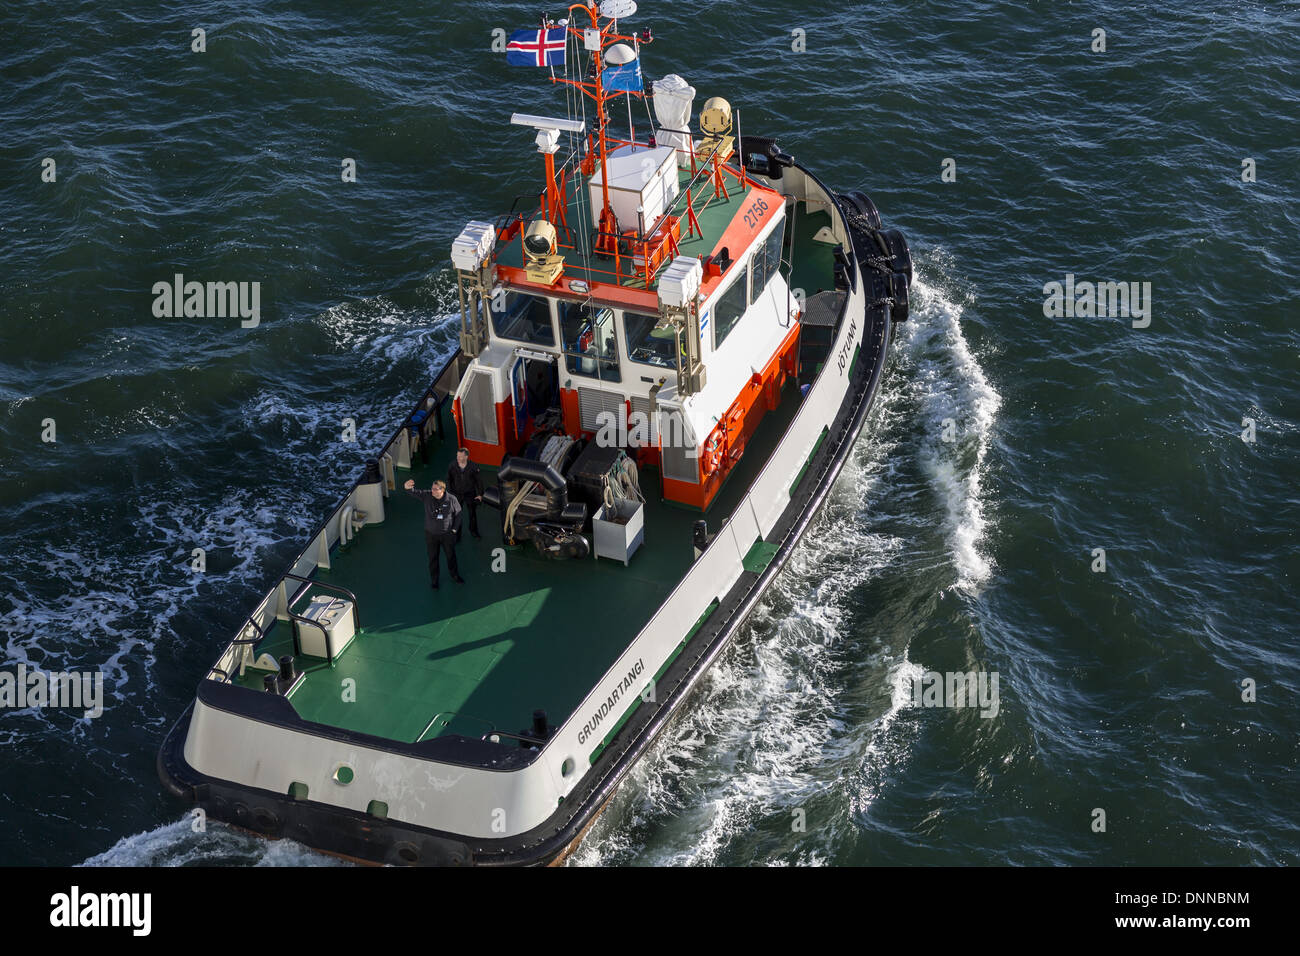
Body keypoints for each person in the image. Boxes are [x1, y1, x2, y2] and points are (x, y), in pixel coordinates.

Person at [403, 478, 463, 588]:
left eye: (435, 489)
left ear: (442, 490)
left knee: (451, 556)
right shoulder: (427, 496)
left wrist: (454, 529)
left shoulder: (451, 499)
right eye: (432, 488)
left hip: (447, 535)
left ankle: (455, 576)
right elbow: (412, 492)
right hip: (431, 535)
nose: (432, 491)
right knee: (433, 558)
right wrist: (407, 486)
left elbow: (459, 514)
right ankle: (434, 581)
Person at [447, 447, 484, 541]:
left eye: (460, 456)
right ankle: (457, 535)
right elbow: (449, 480)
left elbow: (478, 481)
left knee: (472, 514)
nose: (458, 458)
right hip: (456, 494)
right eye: (457, 456)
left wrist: (480, 494)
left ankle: (474, 532)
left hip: (470, 494)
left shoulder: (473, 467)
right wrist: (450, 494)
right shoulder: (452, 465)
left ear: (466, 457)